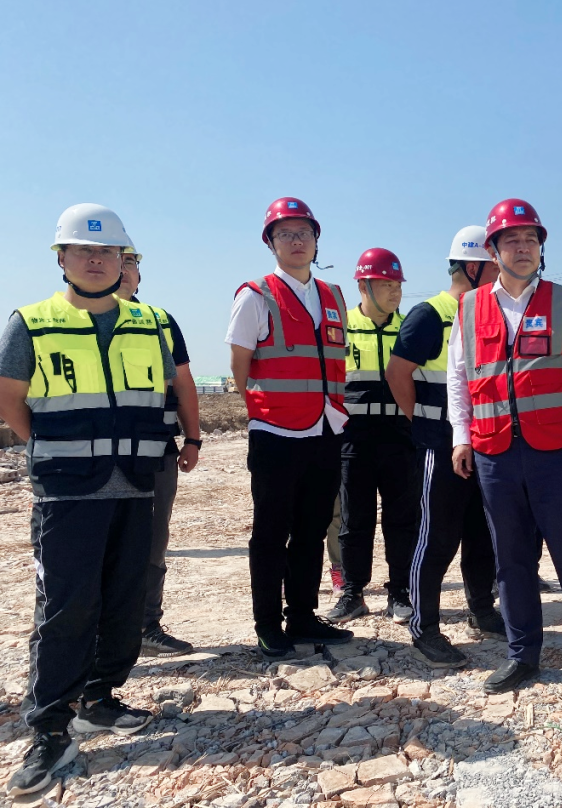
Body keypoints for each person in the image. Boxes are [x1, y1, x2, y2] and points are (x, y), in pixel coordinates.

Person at [0, 204, 175, 795]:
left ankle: (100, 699)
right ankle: (50, 728)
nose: (96, 260)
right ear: (62, 258)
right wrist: (56, 447)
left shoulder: (147, 323)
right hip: (68, 490)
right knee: (66, 607)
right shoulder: (32, 322)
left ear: (123, 260)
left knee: (124, 598)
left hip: (134, 482)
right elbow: (9, 398)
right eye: (84, 250)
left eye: (107, 252)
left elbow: (163, 389)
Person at [448, 199, 562, 708]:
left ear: (541, 247)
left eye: (531, 239)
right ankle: (523, 654)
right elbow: (459, 376)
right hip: (494, 451)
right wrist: (461, 435)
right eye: (512, 240)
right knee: (511, 559)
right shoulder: (470, 307)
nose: (523, 248)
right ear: (493, 250)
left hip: (555, 451)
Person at [226, 197, 353, 658]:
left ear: (317, 240)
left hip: (326, 429)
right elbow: (239, 366)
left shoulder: (334, 296)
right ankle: (267, 623)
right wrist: (265, 410)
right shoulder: (256, 295)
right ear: (270, 242)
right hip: (276, 434)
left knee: (312, 529)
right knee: (270, 532)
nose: (296, 241)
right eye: (285, 234)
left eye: (304, 233)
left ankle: (302, 615)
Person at [385, 226, 505, 668]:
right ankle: (425, 627)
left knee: (481, 533)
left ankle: (482, 610)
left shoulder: (490, 310)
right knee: (436, 536)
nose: (501, 272)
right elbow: (397, 373)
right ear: (472, 267)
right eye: (493, 265)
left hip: (484, 441)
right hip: (439, 444)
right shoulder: (430, 315)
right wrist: (422, 422)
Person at [116, 251, 202, 657]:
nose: (122, 269)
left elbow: (183, 384)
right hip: (89, 457)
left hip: (154, 451)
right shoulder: (69, 321)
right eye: (114, 259)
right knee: (96, 545)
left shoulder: (160, 322)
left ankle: (146, 626)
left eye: (130, 262)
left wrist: (193, 439)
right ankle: (98, 637)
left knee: (153, 539)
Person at [327, 248, 418, 625]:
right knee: (355, 519)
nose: (396, 291)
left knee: (403, 518)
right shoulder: (340, 327)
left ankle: (400, 592)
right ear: (363, 286)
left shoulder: (411, 328)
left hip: (401, 436)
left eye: (398, 284)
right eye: (386, 284)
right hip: (355, 438)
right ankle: (353, 592)